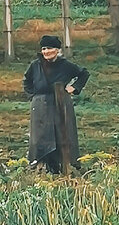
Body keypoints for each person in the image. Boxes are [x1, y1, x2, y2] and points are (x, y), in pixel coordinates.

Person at [22, 35, 90, 173]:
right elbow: (26, 81)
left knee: (63, 134)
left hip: (61, 103)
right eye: (44, 49)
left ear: (57, 50)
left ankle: (66, 166)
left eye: (50, 48)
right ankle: (40, 167)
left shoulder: (66, 65)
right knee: (41, 136)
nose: (46, 52)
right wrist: (34, 95)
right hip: (40, 105)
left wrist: (74, 87)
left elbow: (84, 74)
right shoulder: (35, 65)